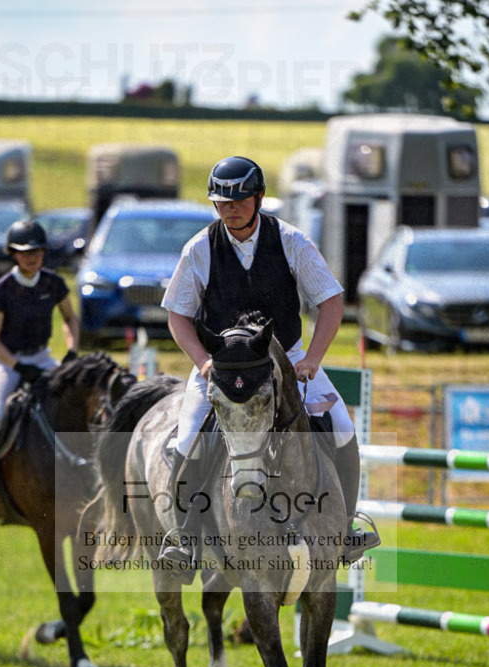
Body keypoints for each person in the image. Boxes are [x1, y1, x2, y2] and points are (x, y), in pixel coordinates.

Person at [159, 154, 378, 571]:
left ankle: (347, 528)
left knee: (343, 428)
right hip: (223, 365)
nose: (231, 209)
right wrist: (202, 362)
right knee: (187, 439)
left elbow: (332, 302)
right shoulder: (199, 248)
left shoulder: (292, 241)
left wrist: (312, 358)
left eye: (240, 201)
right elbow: (178, 316)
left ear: (259, 198)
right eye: (223, 202)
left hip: (287, 358)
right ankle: (184, 538)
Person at [0, 219, 80, 508]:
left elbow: (70, 318)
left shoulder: (53, 282)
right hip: (4, 360)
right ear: (12, 253)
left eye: (37, 251)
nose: (32, 257)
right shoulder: (1, 289)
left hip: (40, 356)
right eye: (25, 252)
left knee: (71, 401)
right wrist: (18, 366)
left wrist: (72, 351)